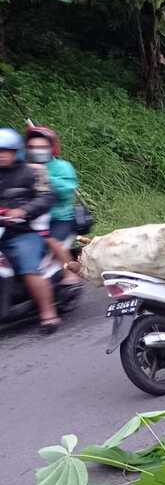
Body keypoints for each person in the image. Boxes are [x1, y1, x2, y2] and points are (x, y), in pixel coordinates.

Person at [0, 128, 57, 331]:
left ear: (16, 151)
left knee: (28, 267)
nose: (1, 155)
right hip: (1, 233)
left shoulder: (32, 172)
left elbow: (47, 197)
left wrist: (23, 211)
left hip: (23, 233)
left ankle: (48, 314)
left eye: (5, 150)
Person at [24, 125, 81, 285]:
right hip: (28, 217)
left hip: (59, 218)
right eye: (32, 147)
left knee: (51, 241)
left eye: (42, 147)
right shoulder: (21, 167)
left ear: (52, 147)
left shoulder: (63, 167)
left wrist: (43, 173)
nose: (37, 151)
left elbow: (66, 192)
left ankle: (70, 273)